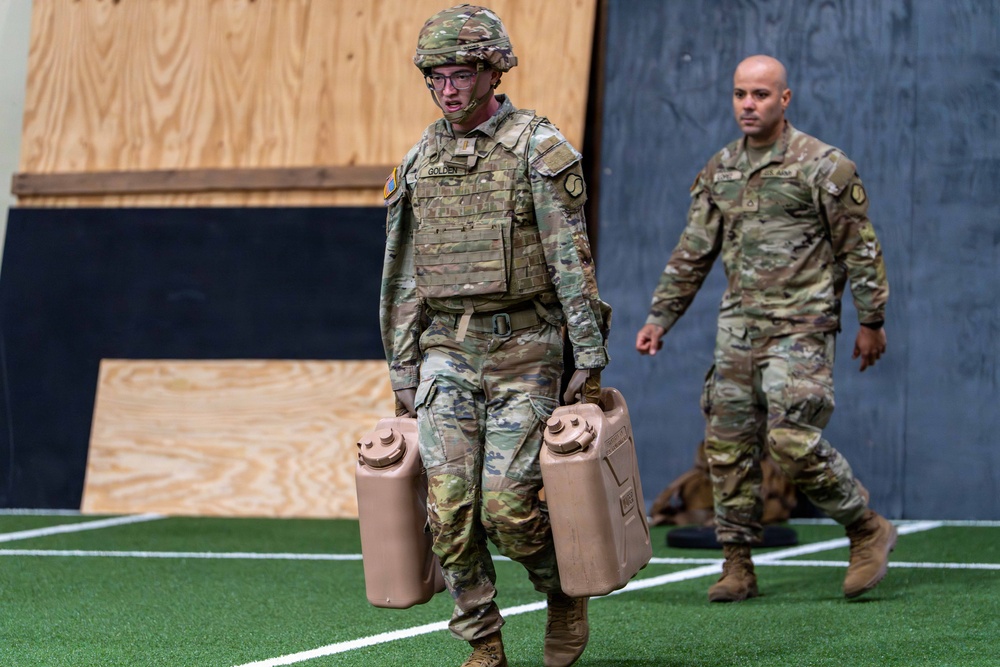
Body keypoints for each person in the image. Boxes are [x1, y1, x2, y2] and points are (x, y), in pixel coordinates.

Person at [380, 5, 610, 666]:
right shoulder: (421, 159)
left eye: (460, 75)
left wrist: (588, 358)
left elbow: (571, 259)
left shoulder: (538, 147)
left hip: (526, 349)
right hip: (446, 352)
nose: (448, 89)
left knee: (507, 506)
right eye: (436, 77)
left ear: (491, 72)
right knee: (449, 507)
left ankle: (562, 591)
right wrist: (401, 364)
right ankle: (481, 637)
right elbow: (401, 276)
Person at [635, 55, 897, 602]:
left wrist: (871, 321)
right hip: (738, 333)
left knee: (791, 440)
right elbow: (692, 252)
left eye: (759, 94)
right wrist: (661, 317)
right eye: (739, 94)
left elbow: (861, 248)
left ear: (785, 99)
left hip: (801, 328)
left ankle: (864, 527)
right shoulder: (720, 169)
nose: (748, 104)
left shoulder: (823, 166)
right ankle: (737, 565)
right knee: (726, 447)